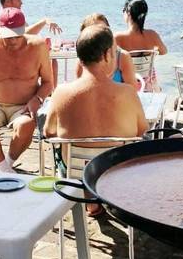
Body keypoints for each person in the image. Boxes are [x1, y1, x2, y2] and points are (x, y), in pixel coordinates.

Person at [43, 24, 148, 216]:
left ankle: (90, 200)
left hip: (77, 174)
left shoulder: (61, 93)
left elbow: (49, 132)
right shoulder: (128, 93)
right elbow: (142, 131)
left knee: (63, 151)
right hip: (117, 173)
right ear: (108, 54)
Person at [0, 7, 53, 173]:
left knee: (26, 125)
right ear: (0, 30)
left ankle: (5, 166)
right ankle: (4, 169)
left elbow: (48, 82)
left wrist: (37, 100)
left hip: (24, 105)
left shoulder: (38, 47)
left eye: (17, 35)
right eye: (8, 36)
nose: (13, 40)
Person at [114, 0, 167, 91]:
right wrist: (152, 52)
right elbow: (164, 51)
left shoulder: (118, 37)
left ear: (128, 13)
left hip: (127, 82)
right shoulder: (152, 34)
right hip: (148, 83)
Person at [74, 13, 135, 84]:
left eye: (104, 30)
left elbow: (132, 90)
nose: (101, 35)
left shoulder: (122, 57)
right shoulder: (82, 62)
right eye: (95, 32)